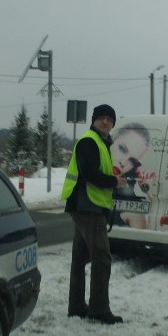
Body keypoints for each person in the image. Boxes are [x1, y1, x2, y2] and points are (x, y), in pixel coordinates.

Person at [61, 103, 127, 324]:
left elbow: (96, 172)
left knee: (80, 259)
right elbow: (91, 174)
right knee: (102, 258)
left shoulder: (100, 142)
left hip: (86, 206)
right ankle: (99, 310)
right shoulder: (90, 141)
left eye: (110, 119)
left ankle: (77, 306)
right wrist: (114, 181)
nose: (106, 122)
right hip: (88, 206)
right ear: (94, 120)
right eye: (102, 118)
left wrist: (112, 179)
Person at [110, 122, 156, 229]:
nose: (123, 162)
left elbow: (147, 239)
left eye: (132, 160)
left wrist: (151, 195)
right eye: (122, 149)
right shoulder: (91, 173)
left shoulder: (132, 208)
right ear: (113, 139)